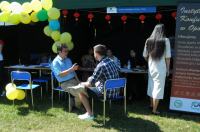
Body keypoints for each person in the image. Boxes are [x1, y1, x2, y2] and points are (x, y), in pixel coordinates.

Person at [77, 44, 120, 120]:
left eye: (93, 52)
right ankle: (89, 110)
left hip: (106, 94)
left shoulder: (101, 65)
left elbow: (90, 83)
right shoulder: (111, 61)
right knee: (92, 81)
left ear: (96, 54)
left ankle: (89, 114)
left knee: (81, 89)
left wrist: (81, 83)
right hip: (116, 91)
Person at [143, 24, 171, 115]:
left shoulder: (148, 40)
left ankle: (151, 105)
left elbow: (145, 55)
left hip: (151, 68)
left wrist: (149, 61)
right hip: (161, 68)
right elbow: (168, 57)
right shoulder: (165, 40)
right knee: (158, 89)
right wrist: (167, 69)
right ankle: (154, 110)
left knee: (151, 87)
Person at [51, 44, 84, 110]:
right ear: (59, 52)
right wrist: (71, 69)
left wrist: (78, 81)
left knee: (84, 88)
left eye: (67, 51)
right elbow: (60, 74)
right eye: (65, 51)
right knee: (79, 91)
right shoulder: (55, 62)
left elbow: (73, 72)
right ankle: (78, 106)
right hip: (65, 83)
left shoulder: (68, 60)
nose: (67, 52)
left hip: (73, 80)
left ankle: (76, 103)